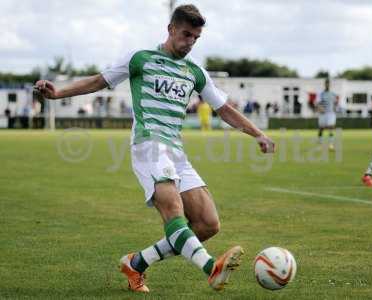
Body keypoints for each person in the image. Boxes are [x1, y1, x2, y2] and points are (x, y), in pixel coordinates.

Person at [34, 4, 274, 293]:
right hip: (149, 144)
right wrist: (59, 93)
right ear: (171, 29)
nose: (189, 42)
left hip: (176, 151)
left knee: (207, 224)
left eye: (195, 38)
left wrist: (258, 134)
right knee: (173, 210)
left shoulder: (195, 71)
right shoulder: (141, 59)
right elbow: (99, 80)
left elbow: (223, 109)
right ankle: (212, 268)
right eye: (185, 34)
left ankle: (136, 263)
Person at [316, 78, 338, 150]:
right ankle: (320, 144)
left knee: (331, 127)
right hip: (323, 113)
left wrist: (335, 109)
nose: (327, 85)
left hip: (331, 113)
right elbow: (317, 103)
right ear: (324, 84)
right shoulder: (321, 94)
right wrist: (320, 108)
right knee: (321, 128)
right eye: (326, 83)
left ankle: (331, 144)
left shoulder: (333, 94)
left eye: (329, 83)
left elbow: (335, 103)